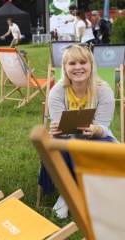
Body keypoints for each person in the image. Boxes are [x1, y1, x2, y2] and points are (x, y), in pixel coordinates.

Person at [39, 44, 118, 219]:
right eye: (72, 63)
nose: (78, 68)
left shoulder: (104, 90)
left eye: (83, 62)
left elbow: (103, 128)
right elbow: (61, 130)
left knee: (99, 147)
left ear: (91, 65)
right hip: (68, 139)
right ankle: (69, 194)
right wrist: (57, 130)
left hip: (97, 138)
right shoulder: (57, 92)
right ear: (65, 68)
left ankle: (76, 194)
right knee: (57, 147)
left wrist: (93, 129)